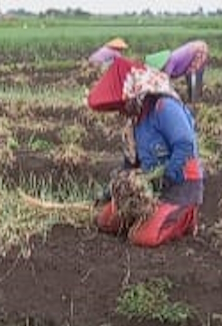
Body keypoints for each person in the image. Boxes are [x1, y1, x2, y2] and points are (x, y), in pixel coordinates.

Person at [87, 57, 204, 248]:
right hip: (150, 190)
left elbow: (184, 145)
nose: (120, 112)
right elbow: (129, 166)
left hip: (179, 185)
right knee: (106, 221)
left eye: (121, 106)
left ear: (135, 95)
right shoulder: (134, 124)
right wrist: (111, 192)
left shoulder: (164, 108)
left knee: (142, 238)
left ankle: (185, 219)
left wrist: (163, 177)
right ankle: (151, 217)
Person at [145, 40, 210, 102]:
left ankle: (194, 101)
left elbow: (165, 82)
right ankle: (195, 97)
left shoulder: (169, 63)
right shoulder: (168, 62)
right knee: (191, 77)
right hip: (194, 50)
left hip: (198, 50)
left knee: (193, 78)